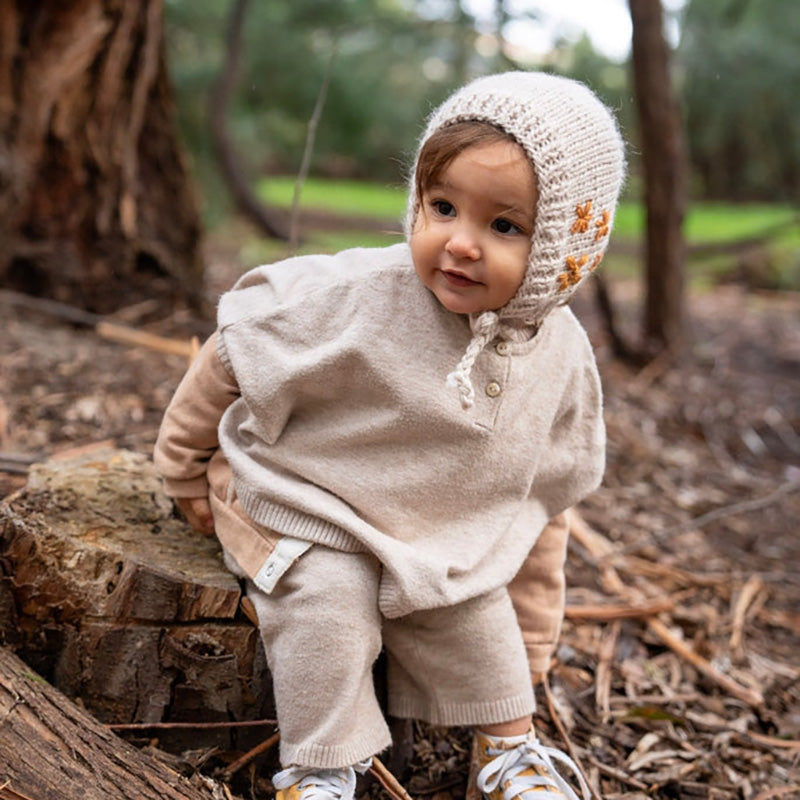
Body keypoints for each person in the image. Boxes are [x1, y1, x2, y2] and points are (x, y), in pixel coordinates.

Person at [154, 70, 625, 800]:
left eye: (504, 226)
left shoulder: (560, 360)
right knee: (327, 605)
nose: (460, 244)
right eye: (442, 207)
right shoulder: (354, 295)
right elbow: (235, 346)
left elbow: (540, 502)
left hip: (439, 536)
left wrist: (530, 651)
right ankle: (318, 768)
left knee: (475, 615)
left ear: (570, 247)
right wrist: (184, 469)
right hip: (310, 498)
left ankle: (510, 757)